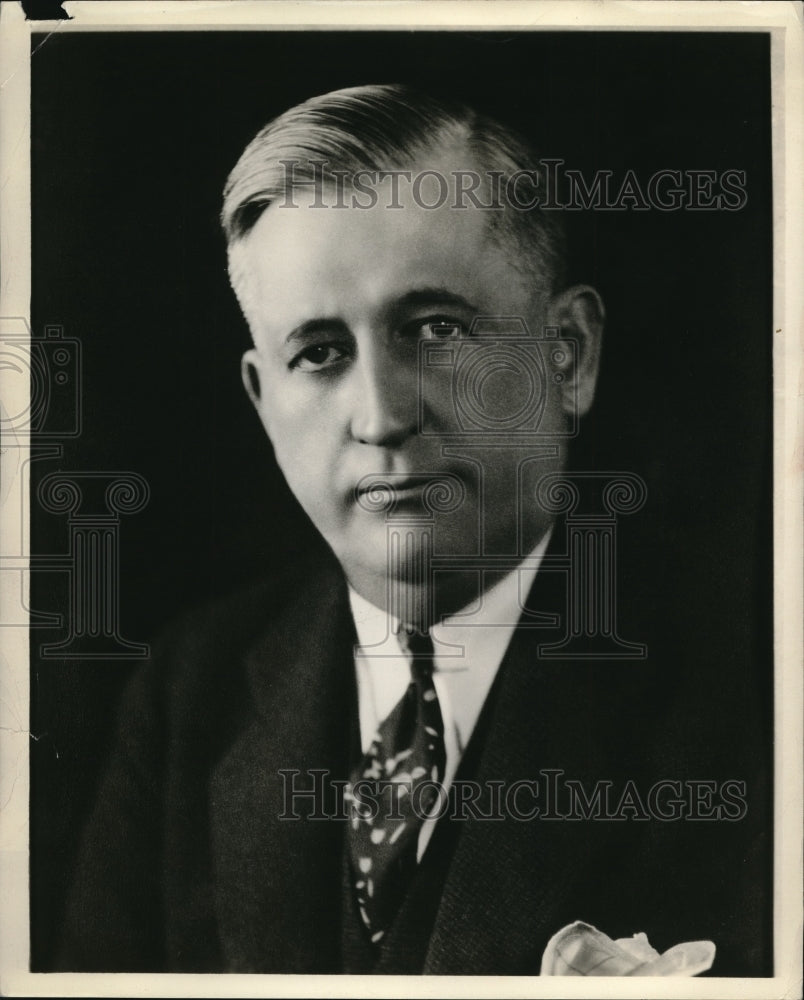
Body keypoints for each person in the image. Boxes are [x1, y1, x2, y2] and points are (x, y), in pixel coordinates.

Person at [57, 84, 770, 976]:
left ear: (569, 354)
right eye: (319, 352)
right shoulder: (187, 696)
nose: (383, 415)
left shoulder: (754, 677)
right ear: (262, 403)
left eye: (435, 328)